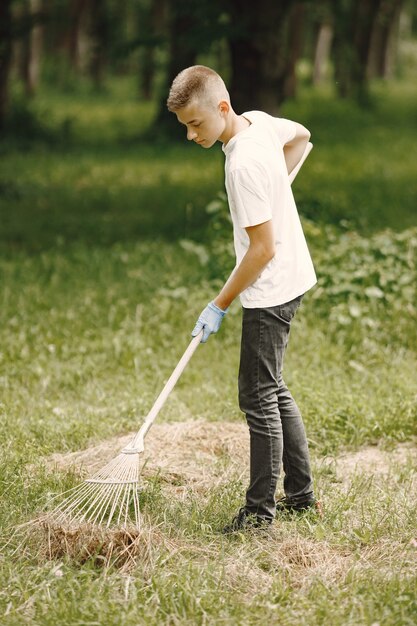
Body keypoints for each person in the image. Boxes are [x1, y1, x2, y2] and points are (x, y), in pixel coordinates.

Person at [167, 65, 320, 532]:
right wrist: (280, 183)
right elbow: (302, 135)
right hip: (293, 275)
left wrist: (219, 304)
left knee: (257, 396)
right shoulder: (258, 123)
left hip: (270, 288)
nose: (192, 136)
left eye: (196, 124)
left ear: (221, 107)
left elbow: (262, 249)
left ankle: (259, 513)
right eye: (185, 127)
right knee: (273, 387)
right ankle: (301, 494)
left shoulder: (241, 165)